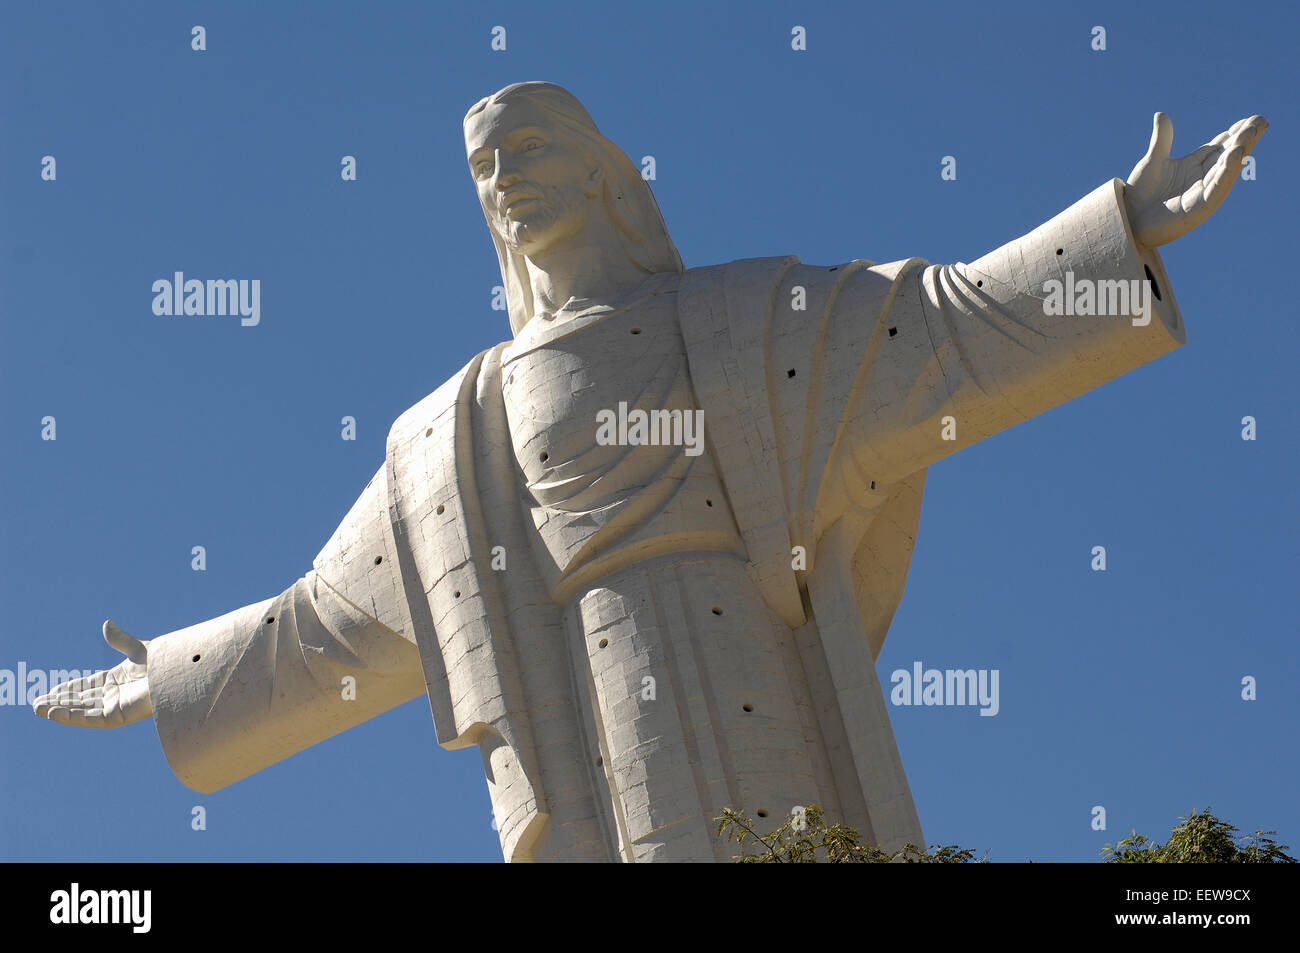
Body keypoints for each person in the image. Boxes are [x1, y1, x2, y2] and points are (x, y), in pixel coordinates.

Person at [34, 82, 1267, 863]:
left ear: (597, 170)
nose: (503, 177)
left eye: (525, 147)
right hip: (583, 722)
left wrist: (1119, 230)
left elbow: (938, 326)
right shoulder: (447, 435)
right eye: (483, 166)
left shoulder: (741, 320)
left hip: (747, 657)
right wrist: (170, 675)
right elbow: (325, 625)